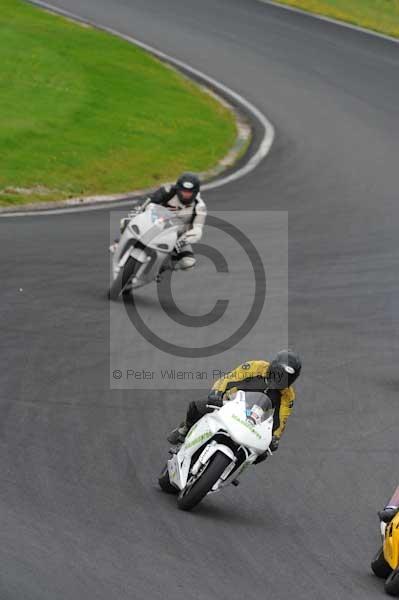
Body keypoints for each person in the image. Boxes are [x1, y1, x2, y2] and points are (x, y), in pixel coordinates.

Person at [167, 350, 302, 461]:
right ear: (273, 366)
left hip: (253, 421)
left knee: (262, 454)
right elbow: (229, 378)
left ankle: (231, 467)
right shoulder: (256, 367)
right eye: (279, 374)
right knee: (196, 406)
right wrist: (217, 393)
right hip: (229, 403)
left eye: (287, 378)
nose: (280, 380)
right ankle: (185, 429)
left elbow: (281, 419)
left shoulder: (288, 396)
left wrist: (275, 438)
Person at [111, 172, 206, 274]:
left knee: (188, 263)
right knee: (125, 222)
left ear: (195, 192)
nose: (185, 195)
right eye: (183, 191)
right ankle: (120, 242)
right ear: (178, 188)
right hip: (154, 223)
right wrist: (134, 215)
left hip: (176, 237)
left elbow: (197, 229)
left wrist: (183, 241)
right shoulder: (169, 190)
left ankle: (164, 267)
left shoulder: (199, 207)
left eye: (189, 193)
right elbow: (148, 200)